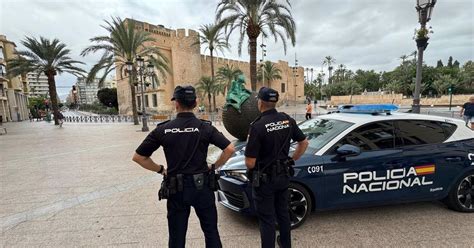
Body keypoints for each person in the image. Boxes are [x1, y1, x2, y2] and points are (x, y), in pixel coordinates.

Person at [132, 85, 235, 248]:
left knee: (176, 237)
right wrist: (214, 166)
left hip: (176, 189)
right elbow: (229, 149)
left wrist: (160, 169)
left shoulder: (162, 130)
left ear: (176, 103)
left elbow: (138, 157)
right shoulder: (205, 127)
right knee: (211, 232)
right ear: (195, 103)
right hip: (202, 187)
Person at [244, 87, 309, 248]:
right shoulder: (287, 120)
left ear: (260, 102)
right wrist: (291, 159)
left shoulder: (257, 126)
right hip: (283, 176)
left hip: (265, 181)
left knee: (267, 219)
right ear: (274, 102)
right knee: (283, 213)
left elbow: (250, 163)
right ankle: (286, 244)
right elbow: (304, 143)